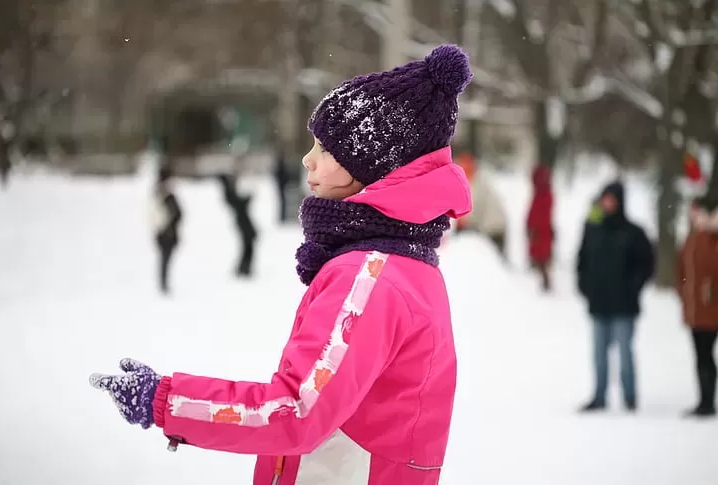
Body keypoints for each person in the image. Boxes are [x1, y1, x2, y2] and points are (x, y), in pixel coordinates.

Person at [89, 44, 473, 485]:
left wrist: (166, 400)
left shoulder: (370, 277)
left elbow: (295, 411)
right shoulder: (407, 264)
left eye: (326, 150)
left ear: (370, 166)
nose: (308, 159)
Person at [577, 181, 654, 412]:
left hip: (624, 305)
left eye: (612, 199)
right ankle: (599, 396)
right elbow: (582, 261)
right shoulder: (592, 229)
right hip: (599, 303)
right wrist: (585, 286)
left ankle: (630, 396)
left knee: (625, 353)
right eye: (605, 199)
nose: (607, 203)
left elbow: (647, 264)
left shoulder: (633, 232)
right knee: (599, 355)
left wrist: (633, 287)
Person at [677, 196, 718, 417]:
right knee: (702, 355)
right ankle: (704, 400)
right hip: (695, 309)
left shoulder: (711, 237)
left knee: (706, 355)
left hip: (711, 308)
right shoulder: (692, 238)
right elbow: (682, 268)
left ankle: (708, 401)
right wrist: (683, 292)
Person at [460, 157, 508, 262]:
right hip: (498, 224)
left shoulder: (477, 183)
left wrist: (463, 225)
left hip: (493, 227)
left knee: (494, 262)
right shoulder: (479, 181)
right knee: (497, 261)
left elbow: (475, 208)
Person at [218, 173, 258, 277]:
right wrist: (248, 198)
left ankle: (244, 268)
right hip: (243, 222)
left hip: (243, 222)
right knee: (247, 245)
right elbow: (240, 204)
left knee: (247, 245)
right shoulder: (229, 194)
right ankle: (244, 269)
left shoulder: (230, 192)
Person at [151, 164, 183, 295]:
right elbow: (159, 215)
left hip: (168, 232)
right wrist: (165, 228)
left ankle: (164, 283)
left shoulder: (164, 193)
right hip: (165, 233)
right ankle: (163, 284)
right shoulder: (162, 195)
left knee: (166, 259)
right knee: (164, 259)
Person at [526, 164, 554, 291]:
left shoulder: (544, 195)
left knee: (542, 258)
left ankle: (546, 282)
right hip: (539, 232)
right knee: (539, 257)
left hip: (541, 233)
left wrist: (533, 228)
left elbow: (541, 216)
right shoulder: (539, 193)